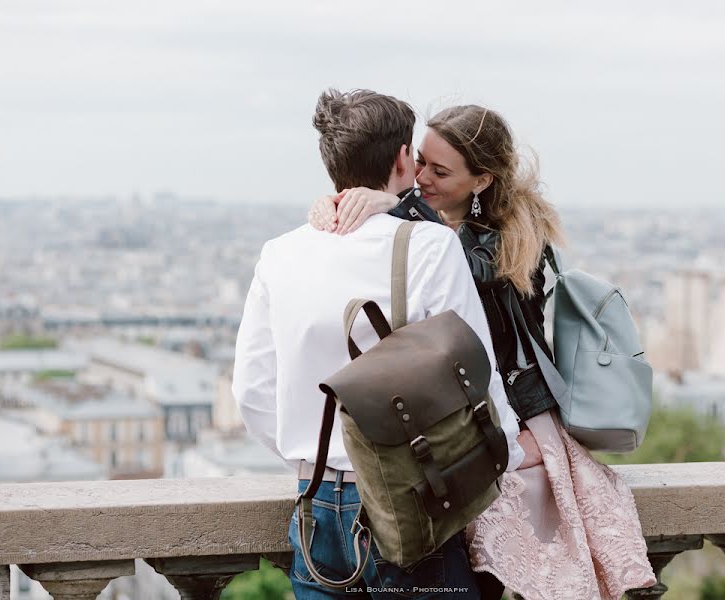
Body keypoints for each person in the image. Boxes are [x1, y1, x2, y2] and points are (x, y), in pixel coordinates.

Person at [308, 104, 657, 599]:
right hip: (468, 423)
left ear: (481, 181)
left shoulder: (507, 243)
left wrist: (396, 207)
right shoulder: (430, 229)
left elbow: (467, 277)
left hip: (512, 427)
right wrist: (341, 204)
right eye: (421, 162)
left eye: (440, 170)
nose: (421, 178)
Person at [232, 89, 536, 600]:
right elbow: (474, 377)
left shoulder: (280, 253)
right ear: (402, 158)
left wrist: (313, 462)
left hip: (316, 503)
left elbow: (251, 391)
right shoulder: (428, 246)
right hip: (412, 499)